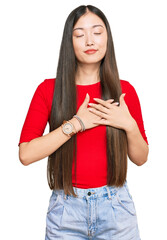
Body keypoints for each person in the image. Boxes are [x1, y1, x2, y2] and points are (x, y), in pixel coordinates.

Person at [18, 5, 149, 240]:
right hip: (65, 211)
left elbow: (141, 158)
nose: (90, 40)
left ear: (107, 38)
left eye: (97, 32)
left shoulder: (124, 91)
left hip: (117, 210)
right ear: (69, 42)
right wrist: (76, 123)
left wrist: (128, 125)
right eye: (80, 34)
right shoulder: (48, 90)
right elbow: (26, 154)